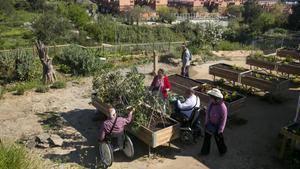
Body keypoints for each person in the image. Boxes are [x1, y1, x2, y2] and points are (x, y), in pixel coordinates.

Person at [200, 88, 227, 156]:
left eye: (211, 98)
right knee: (206, 139)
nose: (210, 99)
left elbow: (223, 120)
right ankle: (204, 152)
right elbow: (208, 112)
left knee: (219, 140)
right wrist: (206, 122)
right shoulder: (211, 103)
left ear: (216, 99)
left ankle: (223, 151)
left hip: (217, 127)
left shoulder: (222, 108)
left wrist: (220, 129)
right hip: (209, 125)